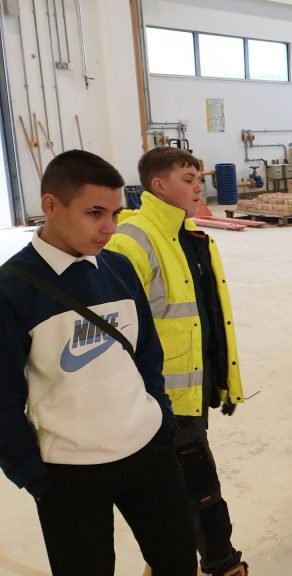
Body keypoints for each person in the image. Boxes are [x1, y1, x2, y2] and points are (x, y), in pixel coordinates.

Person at [0, 150, 197, 575]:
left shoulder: (118, 268)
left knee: (178, 562)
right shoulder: (12, 291)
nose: (109, 227)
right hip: (71, 473)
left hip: (148, 454)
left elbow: (147, 353)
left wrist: (158, 419)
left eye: (115, 213)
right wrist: (36, 480)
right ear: (50, 205)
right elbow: (2, 400)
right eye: (94, 213)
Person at [106, 148, 249, 575]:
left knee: (182, 486)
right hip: (162, 395)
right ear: (158, 185)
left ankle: (167, 563)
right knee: (198, 488)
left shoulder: (189, 235)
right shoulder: (134, 240)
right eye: (188, 178)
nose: (198, 186)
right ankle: (221, 565)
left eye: (200, 177)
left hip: (191, 387)